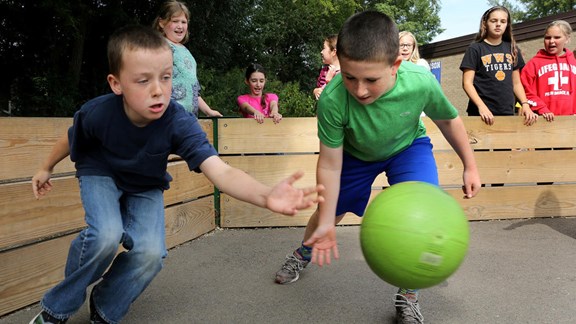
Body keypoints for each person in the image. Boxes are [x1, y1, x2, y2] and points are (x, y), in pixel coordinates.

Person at [29, 25, 323, 324]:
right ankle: (57, 309)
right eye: (143, 81)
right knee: (105, 235)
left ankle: (105, 308)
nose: (158, 89)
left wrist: (265, 195)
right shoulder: (98, 112)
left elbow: (220, 170)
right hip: (100, 171)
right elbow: (71, 137)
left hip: (144, 183)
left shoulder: (178, 122)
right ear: (116, 84)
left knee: (151, 254)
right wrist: (46, 167)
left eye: (166, 77)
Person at [273, 11, 481, 324]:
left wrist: (470, 165)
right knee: (330, 210)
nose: (359, 90)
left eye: (371, 79)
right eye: (349, 77)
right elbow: (329, 163)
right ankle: (304, 251)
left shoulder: (420, 83)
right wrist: (328, 220)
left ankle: (409, 295)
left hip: (407, 148)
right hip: (356, 155)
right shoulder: (333, 99)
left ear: (395, 64)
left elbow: (448, 119)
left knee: (423, 212)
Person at [460, 5, 538, 126]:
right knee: (480, 145)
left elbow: (516, 83)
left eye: (503, 21)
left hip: (506, 112)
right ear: (485, 23)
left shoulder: (512, 49)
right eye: (494, 21)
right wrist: (481, 107)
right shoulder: (475, 48)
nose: (498, 24)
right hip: (480, 113)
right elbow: (467, 83)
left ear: (507, 25)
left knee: (506, 145)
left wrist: (525, 104)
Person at [153, 0, 222, 117]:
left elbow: (194, 91)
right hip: (167, 118)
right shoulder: (159, 47)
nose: (180, 26)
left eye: (183, 22)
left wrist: (208, 111)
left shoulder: (186, 52)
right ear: (161, 23)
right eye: (175, 21)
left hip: (189, 119)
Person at [521, 20, 576, 121]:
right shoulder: (534, 63)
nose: (551, 41)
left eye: (557, 37)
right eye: (547, 37)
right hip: (543, 120)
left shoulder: (574, 62)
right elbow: (523, 89)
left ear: (567, 39)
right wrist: (541, 108)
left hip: (571, 121)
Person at [313, 34, 340, 100]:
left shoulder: (343, 75)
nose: (321, 52)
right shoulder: (324, 71)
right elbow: (319, 88)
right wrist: (315, 91)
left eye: (324, 48)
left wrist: (329, 82)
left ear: (334, 52)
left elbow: (339, 98)